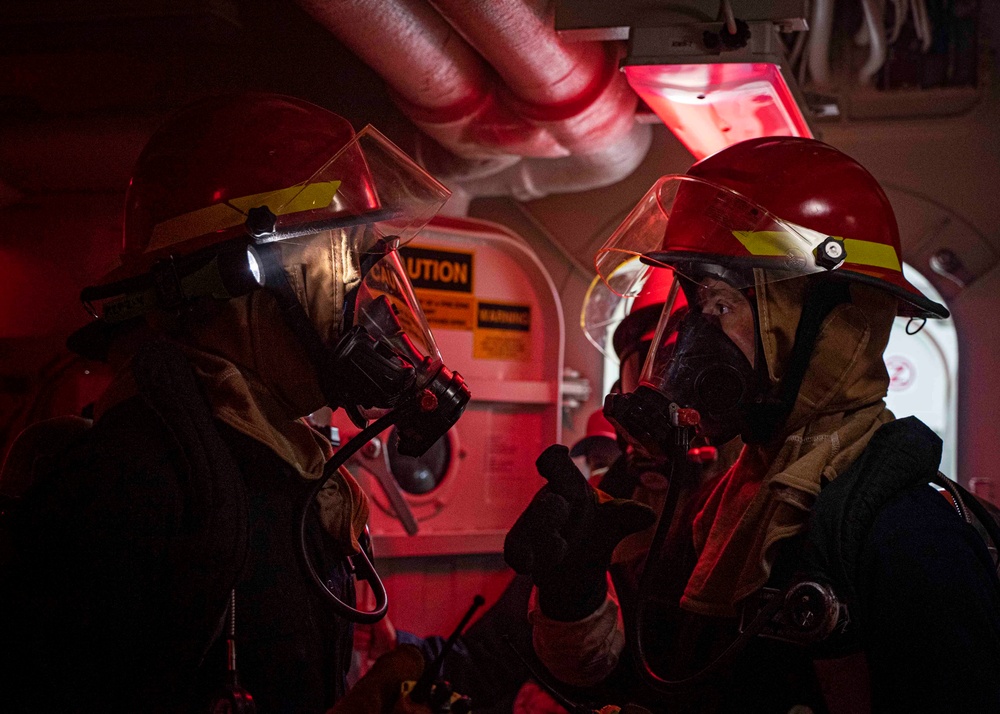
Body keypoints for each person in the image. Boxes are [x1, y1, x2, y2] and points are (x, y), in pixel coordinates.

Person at [0, 93, 470, 713]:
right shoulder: (127, 489)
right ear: (242, 277)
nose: (369, 306)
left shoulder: (273, 468)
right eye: (344, 268)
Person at [505, 137, 1000, 713]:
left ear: (826, 324)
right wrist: (575, 592)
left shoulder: (911, 540)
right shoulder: (728, 509)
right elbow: (662, 684)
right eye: (695, 311)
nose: (694, 344)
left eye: (720, 306)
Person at [570, 409, 622, 482]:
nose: (598, 452)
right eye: (592, 445)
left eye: (606, 445)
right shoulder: (587, 490)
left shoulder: (638, 489)